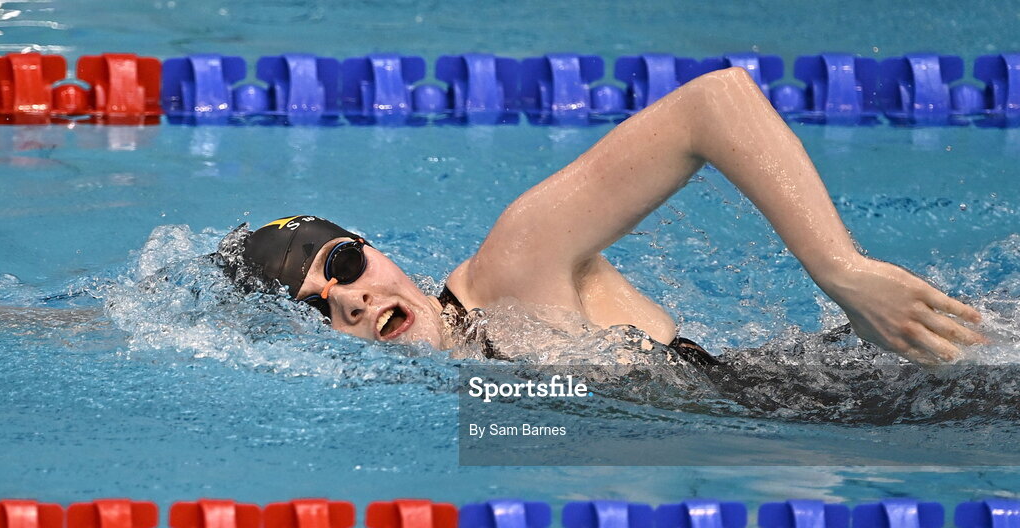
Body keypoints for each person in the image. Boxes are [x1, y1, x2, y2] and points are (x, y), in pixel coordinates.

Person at [220, 67, 986, 366]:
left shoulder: (510, 267)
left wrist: (840, 272)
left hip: (893, 371)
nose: (349, 296)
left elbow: (712, 104)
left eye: (345, 264)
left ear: (377, 253)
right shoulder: (474, 396)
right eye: (318, 307)